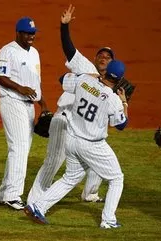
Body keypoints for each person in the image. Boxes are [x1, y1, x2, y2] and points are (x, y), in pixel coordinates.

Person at [27, 4, 115, 205]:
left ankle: (90, 193)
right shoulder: (85, 67)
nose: (103, 58)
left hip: (83, 129)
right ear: (94, 59)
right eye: (100, 55)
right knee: (53, 162)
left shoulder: (111, 89)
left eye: (108, 57)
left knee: (98, 155)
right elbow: (68, 50)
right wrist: (64, 26)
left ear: (112, 64)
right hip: (64, 121)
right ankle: (34, 201)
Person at [24, 60, 129, 229]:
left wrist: (92, 78)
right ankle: (108, 220)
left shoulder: (84, 80)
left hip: (72, 140)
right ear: (120, 79)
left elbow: (62, 79)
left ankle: (38, 206)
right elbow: (121, 125)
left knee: (69, 178)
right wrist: (124, 102)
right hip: (92, 145)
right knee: (117, 178)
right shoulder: (113, 99)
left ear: (105, 71)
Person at [0, 17, 49, 210]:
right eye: (27, 33)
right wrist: (19, 88)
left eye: (33, 33)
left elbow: (35, 82)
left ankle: (4, 193)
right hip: (12, 102)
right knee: (19, 147)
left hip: (29, 105)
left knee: (22, 148)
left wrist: (43, 103)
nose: (31, 36)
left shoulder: (34, 53)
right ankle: (12, 195)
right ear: (18, 33)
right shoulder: (7, 51)